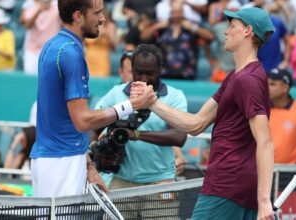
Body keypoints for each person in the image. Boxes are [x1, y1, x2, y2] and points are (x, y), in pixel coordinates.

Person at [131, 7, 275, 220]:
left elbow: (265, 142)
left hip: (227, 184)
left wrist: (264, 202)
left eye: (232, 26)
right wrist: (152, 102)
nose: (225, 31)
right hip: (236, 183)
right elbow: (196, 123)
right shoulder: (238, 77)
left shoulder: (248, 80)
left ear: (248, 31)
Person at [30, 0, 156, 198]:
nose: (103, 19)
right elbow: (82, 121)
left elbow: (68, 121)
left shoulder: (54, 45)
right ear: (78, 16)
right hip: (61, 163)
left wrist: (88, 165)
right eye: (97, 13)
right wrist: (132, 105)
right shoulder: (71, 53)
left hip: (56, 159)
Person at [95, 44, 188, 218]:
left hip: (161, 184)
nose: (144, 78)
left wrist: (136, 135)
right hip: (122, 183)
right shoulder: (116, 93)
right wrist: (96, 150)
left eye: (150, 73)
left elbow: (179, 136)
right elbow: (92, 125)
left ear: (160, 69)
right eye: (138, 72)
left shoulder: (174, 96)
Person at [20, 0, 61, 75]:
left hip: (51, 52)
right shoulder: (30, 6)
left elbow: (65, 24)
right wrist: (39, 11)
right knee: (30, 82)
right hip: (32, 52)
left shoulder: (57, 7)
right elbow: (27, 25)